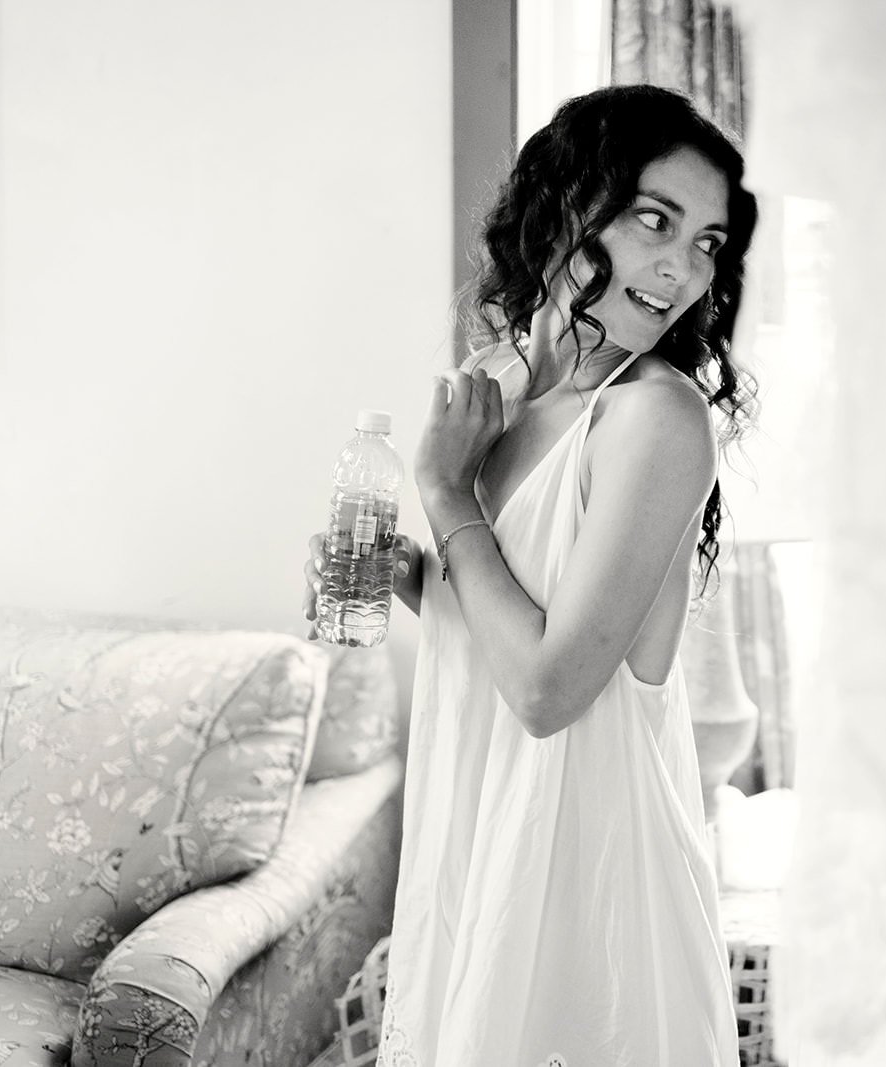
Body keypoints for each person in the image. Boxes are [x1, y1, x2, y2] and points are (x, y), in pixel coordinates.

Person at [302, 84, 759, 1065]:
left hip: (591, 881)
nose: (682, 267)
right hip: (484, 838)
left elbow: (551, 689)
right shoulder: (503, 379)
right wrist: (409, 572)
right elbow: (506, 630)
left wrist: (444, 489)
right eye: (655, 221)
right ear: (567, 203)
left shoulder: (658, 419)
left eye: (708, 243)